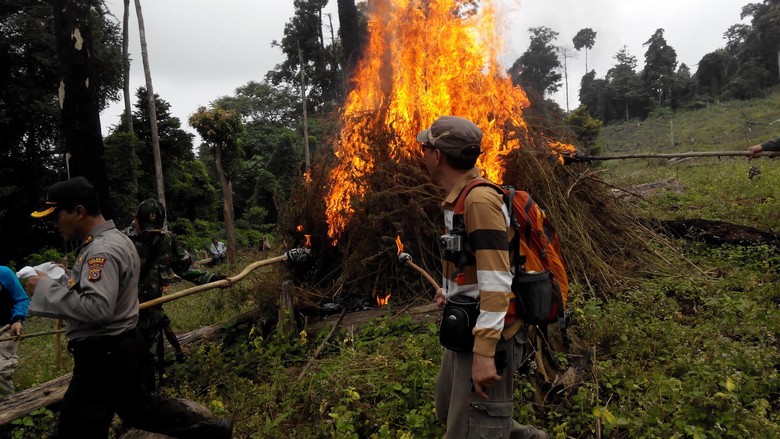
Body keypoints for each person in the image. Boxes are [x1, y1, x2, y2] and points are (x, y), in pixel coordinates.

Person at [26, 176, 232, 439]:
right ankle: (213, 431)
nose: (53, 223)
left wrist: (45, 289)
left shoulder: (103, 250)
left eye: (57, 215)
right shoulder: (118, 240)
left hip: (104, 352)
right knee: (140, 408)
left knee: (78, 426)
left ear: (79, 212)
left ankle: (212, 431)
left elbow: (98, 308)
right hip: (124, 342)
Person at [418, 116, 548, 438]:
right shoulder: (460, 199)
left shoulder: (479, 202)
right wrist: (452, 294)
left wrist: (485, 353)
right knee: (451, 411)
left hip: (490, 336)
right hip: (468, 326)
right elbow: (478, 268)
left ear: (437, 155)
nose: (422, 154)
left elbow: (498, 282)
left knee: (478, 428)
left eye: (425, 147)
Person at [125, 199, 232, 373]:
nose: (148, 235)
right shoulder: (119, 242)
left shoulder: (166, 240)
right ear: (134, 218)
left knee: (153, 366)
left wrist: (214, 279)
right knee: (128, 365)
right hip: (125, 318)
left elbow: (186, 268)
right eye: (144, 229)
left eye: (153, 230)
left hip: (153, 316)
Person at [0, 265, 29, 397]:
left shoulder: (3, 273)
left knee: (1, 372)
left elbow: (21, 298)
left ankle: (9, 411)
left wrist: (18, 320)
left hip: (5, 329)